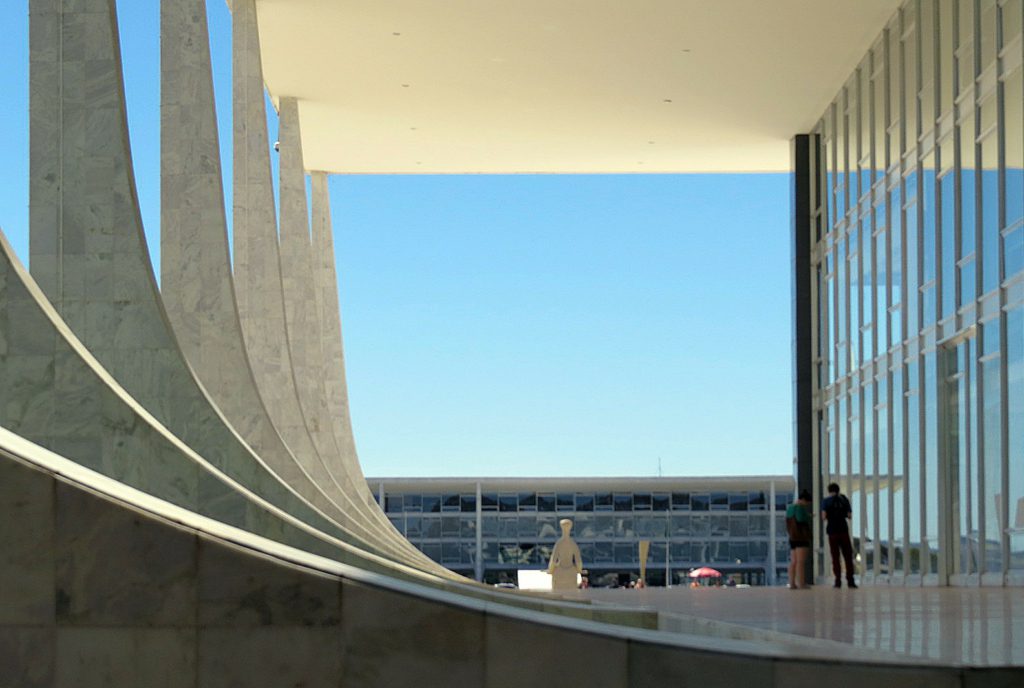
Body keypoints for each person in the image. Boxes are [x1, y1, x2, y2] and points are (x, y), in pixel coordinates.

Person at [821, 482, 858, 589]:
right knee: (847, 556)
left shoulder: (826, 501)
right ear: (838, 490)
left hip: (832, 531)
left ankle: (838, 581)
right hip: (843, 530)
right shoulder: (844, 499)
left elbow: (823, 517)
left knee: (835, 557)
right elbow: (849, 515)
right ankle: (850, 580)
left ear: (829, 490)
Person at [785, 489, 813, 589]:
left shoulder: (790, 508)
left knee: (793, 561)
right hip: (801, 537)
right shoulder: (800, 508)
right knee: (801, 562)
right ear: (804, 500)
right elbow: (801, 519)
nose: (806, 505)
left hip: (792, 537)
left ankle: (792, 583)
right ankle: (801, 583)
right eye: (807, 503)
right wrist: (808, 516)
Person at [547, 518, 583, 591]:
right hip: (571, 573)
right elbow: (578, 562)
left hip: (559, 572)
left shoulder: (559, 544)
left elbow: (553, 560)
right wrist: (579, 570)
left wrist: (550, 570)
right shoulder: (573, 544)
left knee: (557, 595)